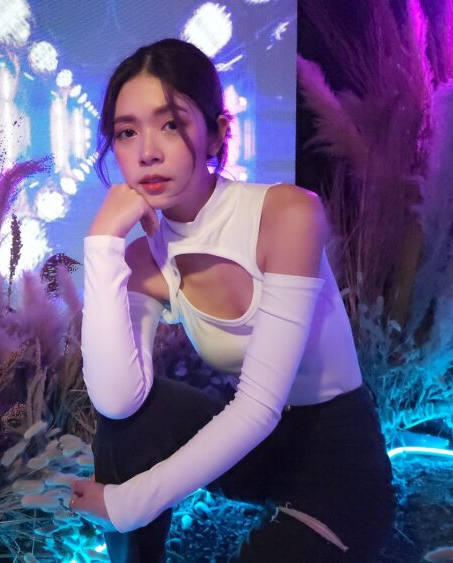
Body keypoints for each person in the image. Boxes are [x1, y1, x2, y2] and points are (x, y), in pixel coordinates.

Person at [68, 38, 396, 562]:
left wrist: (127, 504)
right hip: (257, 455)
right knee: (130, 423)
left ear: (219, 132)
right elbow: (117, 403)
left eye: (170, 124)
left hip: (335, 461)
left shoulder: (287, 214)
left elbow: (259, 407)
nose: (147, 151)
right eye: (127, 132)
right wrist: (103, 242)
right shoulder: (143, 260)